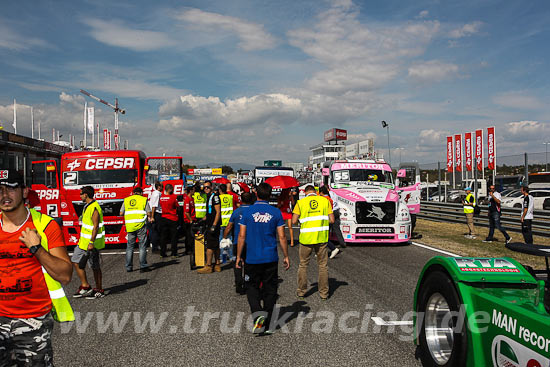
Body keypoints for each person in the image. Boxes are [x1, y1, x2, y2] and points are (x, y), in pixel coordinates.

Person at [0, 169, 74, 365]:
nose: (4, 195)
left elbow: (65, 275)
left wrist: (37, 249)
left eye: (11, 189)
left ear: (25, 191)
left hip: (33, 320)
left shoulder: (45, 226)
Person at [236, 183, 289, 334]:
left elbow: (241, 236)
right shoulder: (276, 212)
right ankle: (266, 321)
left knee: (251, 287)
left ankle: (258, 315)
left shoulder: (247, 212)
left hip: (252, 257)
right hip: (270, 257)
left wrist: (239, 256)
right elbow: (282, 236)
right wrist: (286, 256)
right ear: (270, 194)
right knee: (270, 289)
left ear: (256, 194)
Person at [293, 185, 334, 300]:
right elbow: (332, 219)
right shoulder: (324, 201)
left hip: (306, 238)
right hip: (321, 238)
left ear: (305, 193)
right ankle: (324, 294)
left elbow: (294, 221)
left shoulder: (301, 203)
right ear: (315, 192)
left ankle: (301, 292)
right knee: (322, 266)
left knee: (303, 265)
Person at [72, 185, 106, 299]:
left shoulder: (94, 207)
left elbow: (95, 227)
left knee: (95, 266)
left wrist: (91, 242)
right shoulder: (87, 206)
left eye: (81, 194)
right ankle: (85, 286)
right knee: (76, 262)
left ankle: (99, 289)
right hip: (83, 242)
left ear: (85, 195)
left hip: (92, 244)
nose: (80, 196)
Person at [223, 192, 255, 295]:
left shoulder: (236, 212)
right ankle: (247, 282)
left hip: (238, 241)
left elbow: (229, 227)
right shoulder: (253, 211)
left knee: (237, 262)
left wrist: (224, 237)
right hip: (251, 242)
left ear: (241, 200)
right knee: (248, 264)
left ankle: (238, 283)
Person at [120, 187, 152, 272]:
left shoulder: (126, 200)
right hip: (141, 225)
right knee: (142, 246)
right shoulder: (143, 199)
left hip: (130, 226)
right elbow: (148, 212)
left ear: (133, 193)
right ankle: (143, 265)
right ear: (141, 193)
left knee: (130, 247)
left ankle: (129, 267)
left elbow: (121, 213)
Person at [197, 181, 222, 273]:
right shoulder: (209, 197)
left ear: (211, 187)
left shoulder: (214, 197)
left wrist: (214, 225)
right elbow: (211, 212)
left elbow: (218, 212)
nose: (206, 189)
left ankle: (208, 266)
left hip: (213, 225)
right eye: (204, 188)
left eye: (207, 187)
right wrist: (202, 219)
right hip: (210, 223)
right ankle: (217, 264)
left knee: (210, 246)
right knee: (215, 245)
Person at [319, 186, 342, 259]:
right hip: (329, 217)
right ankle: (321, 251)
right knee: (324, 235)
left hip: (324, 218)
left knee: (322, 236)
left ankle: (333, 248)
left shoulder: (323, 199)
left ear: (321, 192)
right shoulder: (329, 198)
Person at [159, 183, 179, 258]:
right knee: (173, 236)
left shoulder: (161, 197)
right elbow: (177, 206)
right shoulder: (173, 197)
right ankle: (174, 253)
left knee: (163, 237)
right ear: (170, 189)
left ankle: (162, 253)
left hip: (163, 217)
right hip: (172, 218)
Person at [147, 182, 162, 252]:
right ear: (159, 187)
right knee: (156, 230)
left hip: (155, 213)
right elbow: (154, 206)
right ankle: (155, 247)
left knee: (154, 230)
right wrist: (152, 217)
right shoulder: (157, 194)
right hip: (156, 213)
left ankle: (155, 245)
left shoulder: (154, 193)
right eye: (162, 186)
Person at [183, 186, 196, 255]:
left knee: (192, 236)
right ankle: (188, 249)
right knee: (188, 236)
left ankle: (191, 248)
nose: (194, 191)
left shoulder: (192, 199)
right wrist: (190, 220)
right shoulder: (187, 199)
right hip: (188, 221)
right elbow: (186, 212)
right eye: (193, 190)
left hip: (193, 219)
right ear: (190, 191)